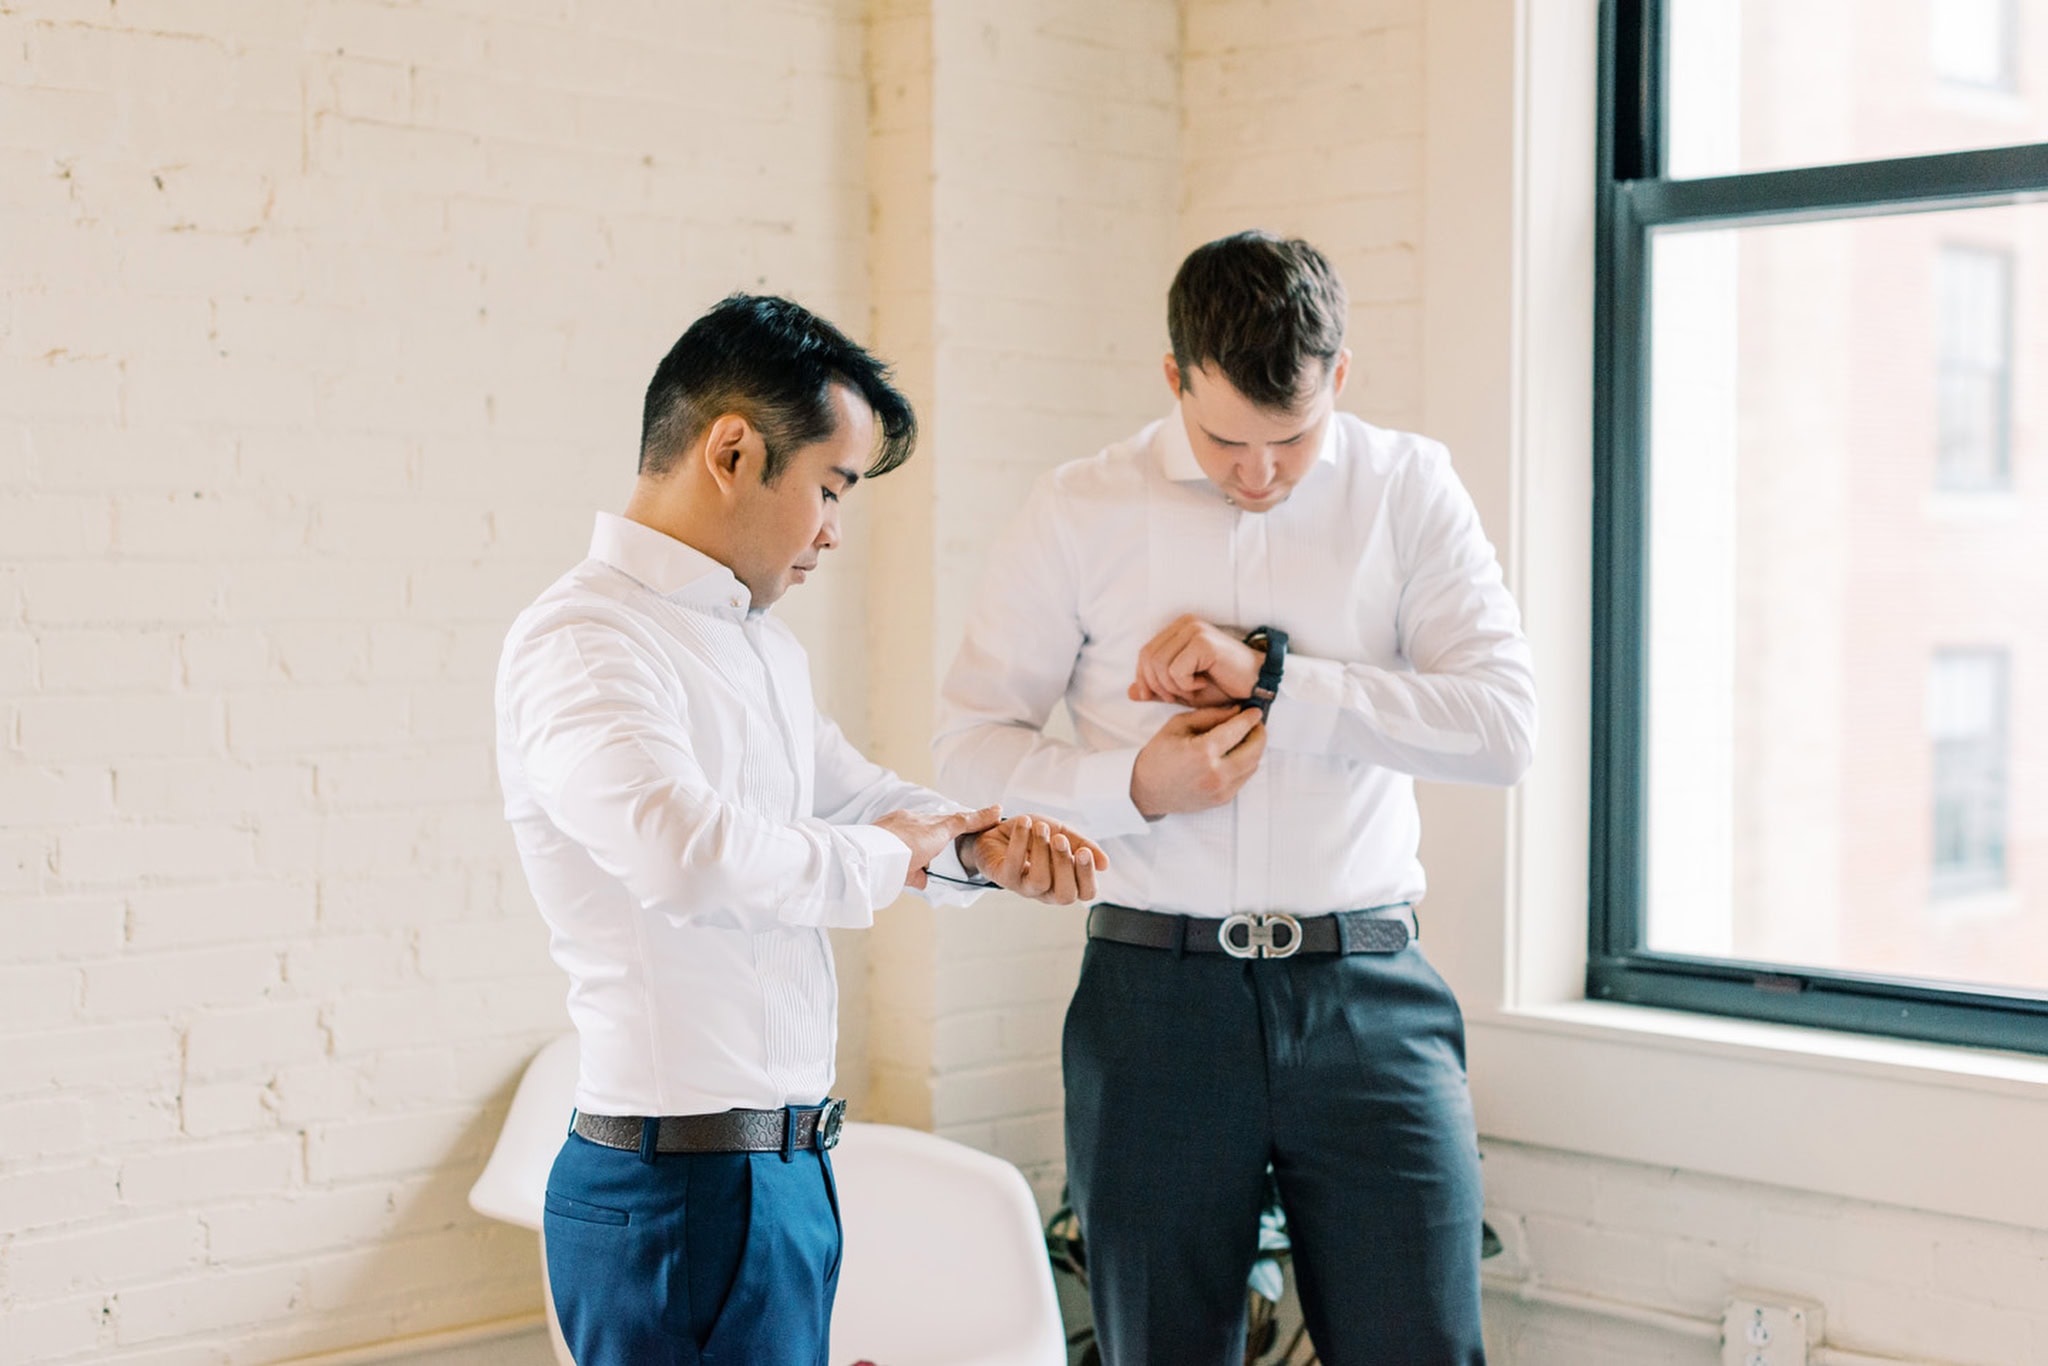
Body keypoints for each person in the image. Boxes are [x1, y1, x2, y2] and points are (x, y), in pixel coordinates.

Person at [934, 232, 1536, 1365]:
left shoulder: (1407, 489)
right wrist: (1133, 785)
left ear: (1339, 377)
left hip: (1367, 998)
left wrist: (1275, 679)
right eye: (1224, 440)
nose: (1257, 474)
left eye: (1291, 438)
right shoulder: (1076, 509)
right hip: (1153, 1001)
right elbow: (966, 753)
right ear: (1171, 378)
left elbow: (1501, 728)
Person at [496, 293, 1107, 1366]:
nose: (832, 528)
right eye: (830, 488)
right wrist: (896, 855)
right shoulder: (584, 642)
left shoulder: (756, 646)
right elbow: (683, 853)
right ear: (731, 450)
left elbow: (849, 796)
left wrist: (972, 844)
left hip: (784, 1178)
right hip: (676, 1190)